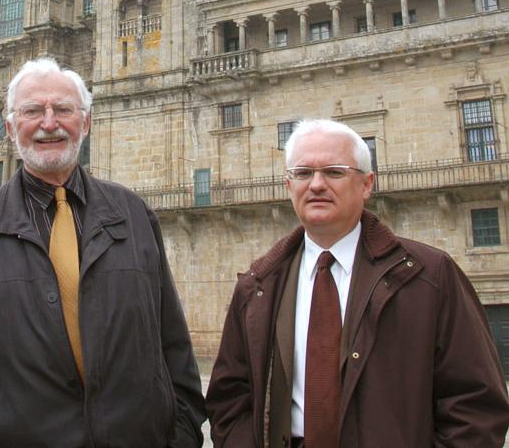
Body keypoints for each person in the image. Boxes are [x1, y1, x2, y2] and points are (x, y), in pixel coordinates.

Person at [0, 57, 206, 448]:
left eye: (64, 110)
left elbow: (174, 348)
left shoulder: (134, 216)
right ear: (10, 127)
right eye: (33, 111)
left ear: (86, 123)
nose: (49, 123)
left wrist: (181, 436)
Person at [205, 118, 509, 447]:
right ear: (289, 186)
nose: (316, 184)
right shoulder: (257, 286)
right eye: (303, 173)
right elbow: (229, 399)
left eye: (334, 172)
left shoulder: (429, 276)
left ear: (366, 184)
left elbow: (476, 405)